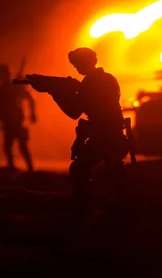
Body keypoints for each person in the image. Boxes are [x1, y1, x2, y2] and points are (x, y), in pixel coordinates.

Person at [49, 47, 130, 217]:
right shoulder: (107, 79)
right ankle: (120, 208)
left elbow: (73, 111)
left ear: (88, 62)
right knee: (113, 172)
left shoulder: (91, 83)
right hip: (109, 134)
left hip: (105, 135)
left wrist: (55, 93)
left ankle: (85, 210)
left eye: (78, 63)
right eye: (75, 64)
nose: (77, 68)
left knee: (81, 169)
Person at [0, 62, 36, 172]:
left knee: (22, 146)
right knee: (8, 147)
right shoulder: (0, 90)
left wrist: (32, 113)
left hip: (17, 121)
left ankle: (30, 168)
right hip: (8, 122)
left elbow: (30, 99)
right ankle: (12, 167)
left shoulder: (15, 87)